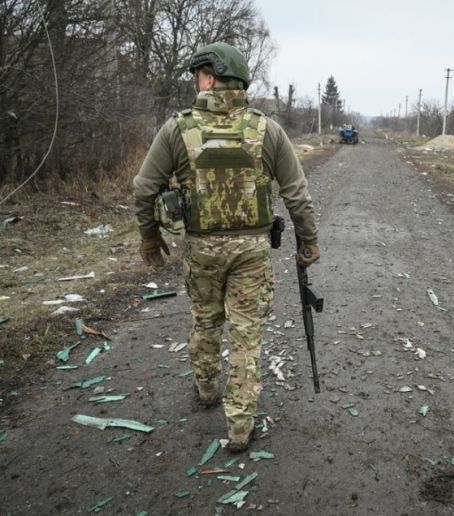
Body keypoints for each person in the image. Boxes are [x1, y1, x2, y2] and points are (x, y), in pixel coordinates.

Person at [133, 42, 320, 452]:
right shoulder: (267, 130)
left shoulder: (176, 129)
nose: (196, 81)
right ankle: (239, 427)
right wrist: (308, 241)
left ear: (211, 78)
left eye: (198, 73)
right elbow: (297, 194)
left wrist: (150, 236)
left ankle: (205, 390)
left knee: (205, 321)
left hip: (200, 249)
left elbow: (144, 187)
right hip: (251, 252)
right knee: (246, 336)